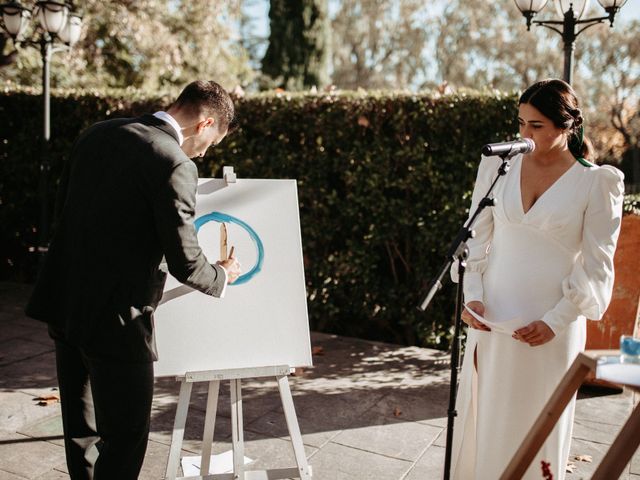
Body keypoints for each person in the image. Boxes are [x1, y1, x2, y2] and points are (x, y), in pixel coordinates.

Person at [25, 80, 242, 479]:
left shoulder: (97, 134)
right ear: (205, 122)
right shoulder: (175, 163)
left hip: (65, 303)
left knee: (81, 433)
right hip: (118, 322)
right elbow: (186, 261)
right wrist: (221, 275)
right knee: (126, 437)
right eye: (212, 141)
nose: (206, 151)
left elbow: (64, 215)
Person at [450, 79, 624, 480]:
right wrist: (472, 296)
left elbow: (597, 266)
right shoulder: (499, 165)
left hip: (550, 327)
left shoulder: (596, 182)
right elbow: (476, 235)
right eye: (521, 123)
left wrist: (555, 321)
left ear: (566, 126)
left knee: (538, 427)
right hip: (492, 317)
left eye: (536, 126)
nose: (524, 134)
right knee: (486, 422)